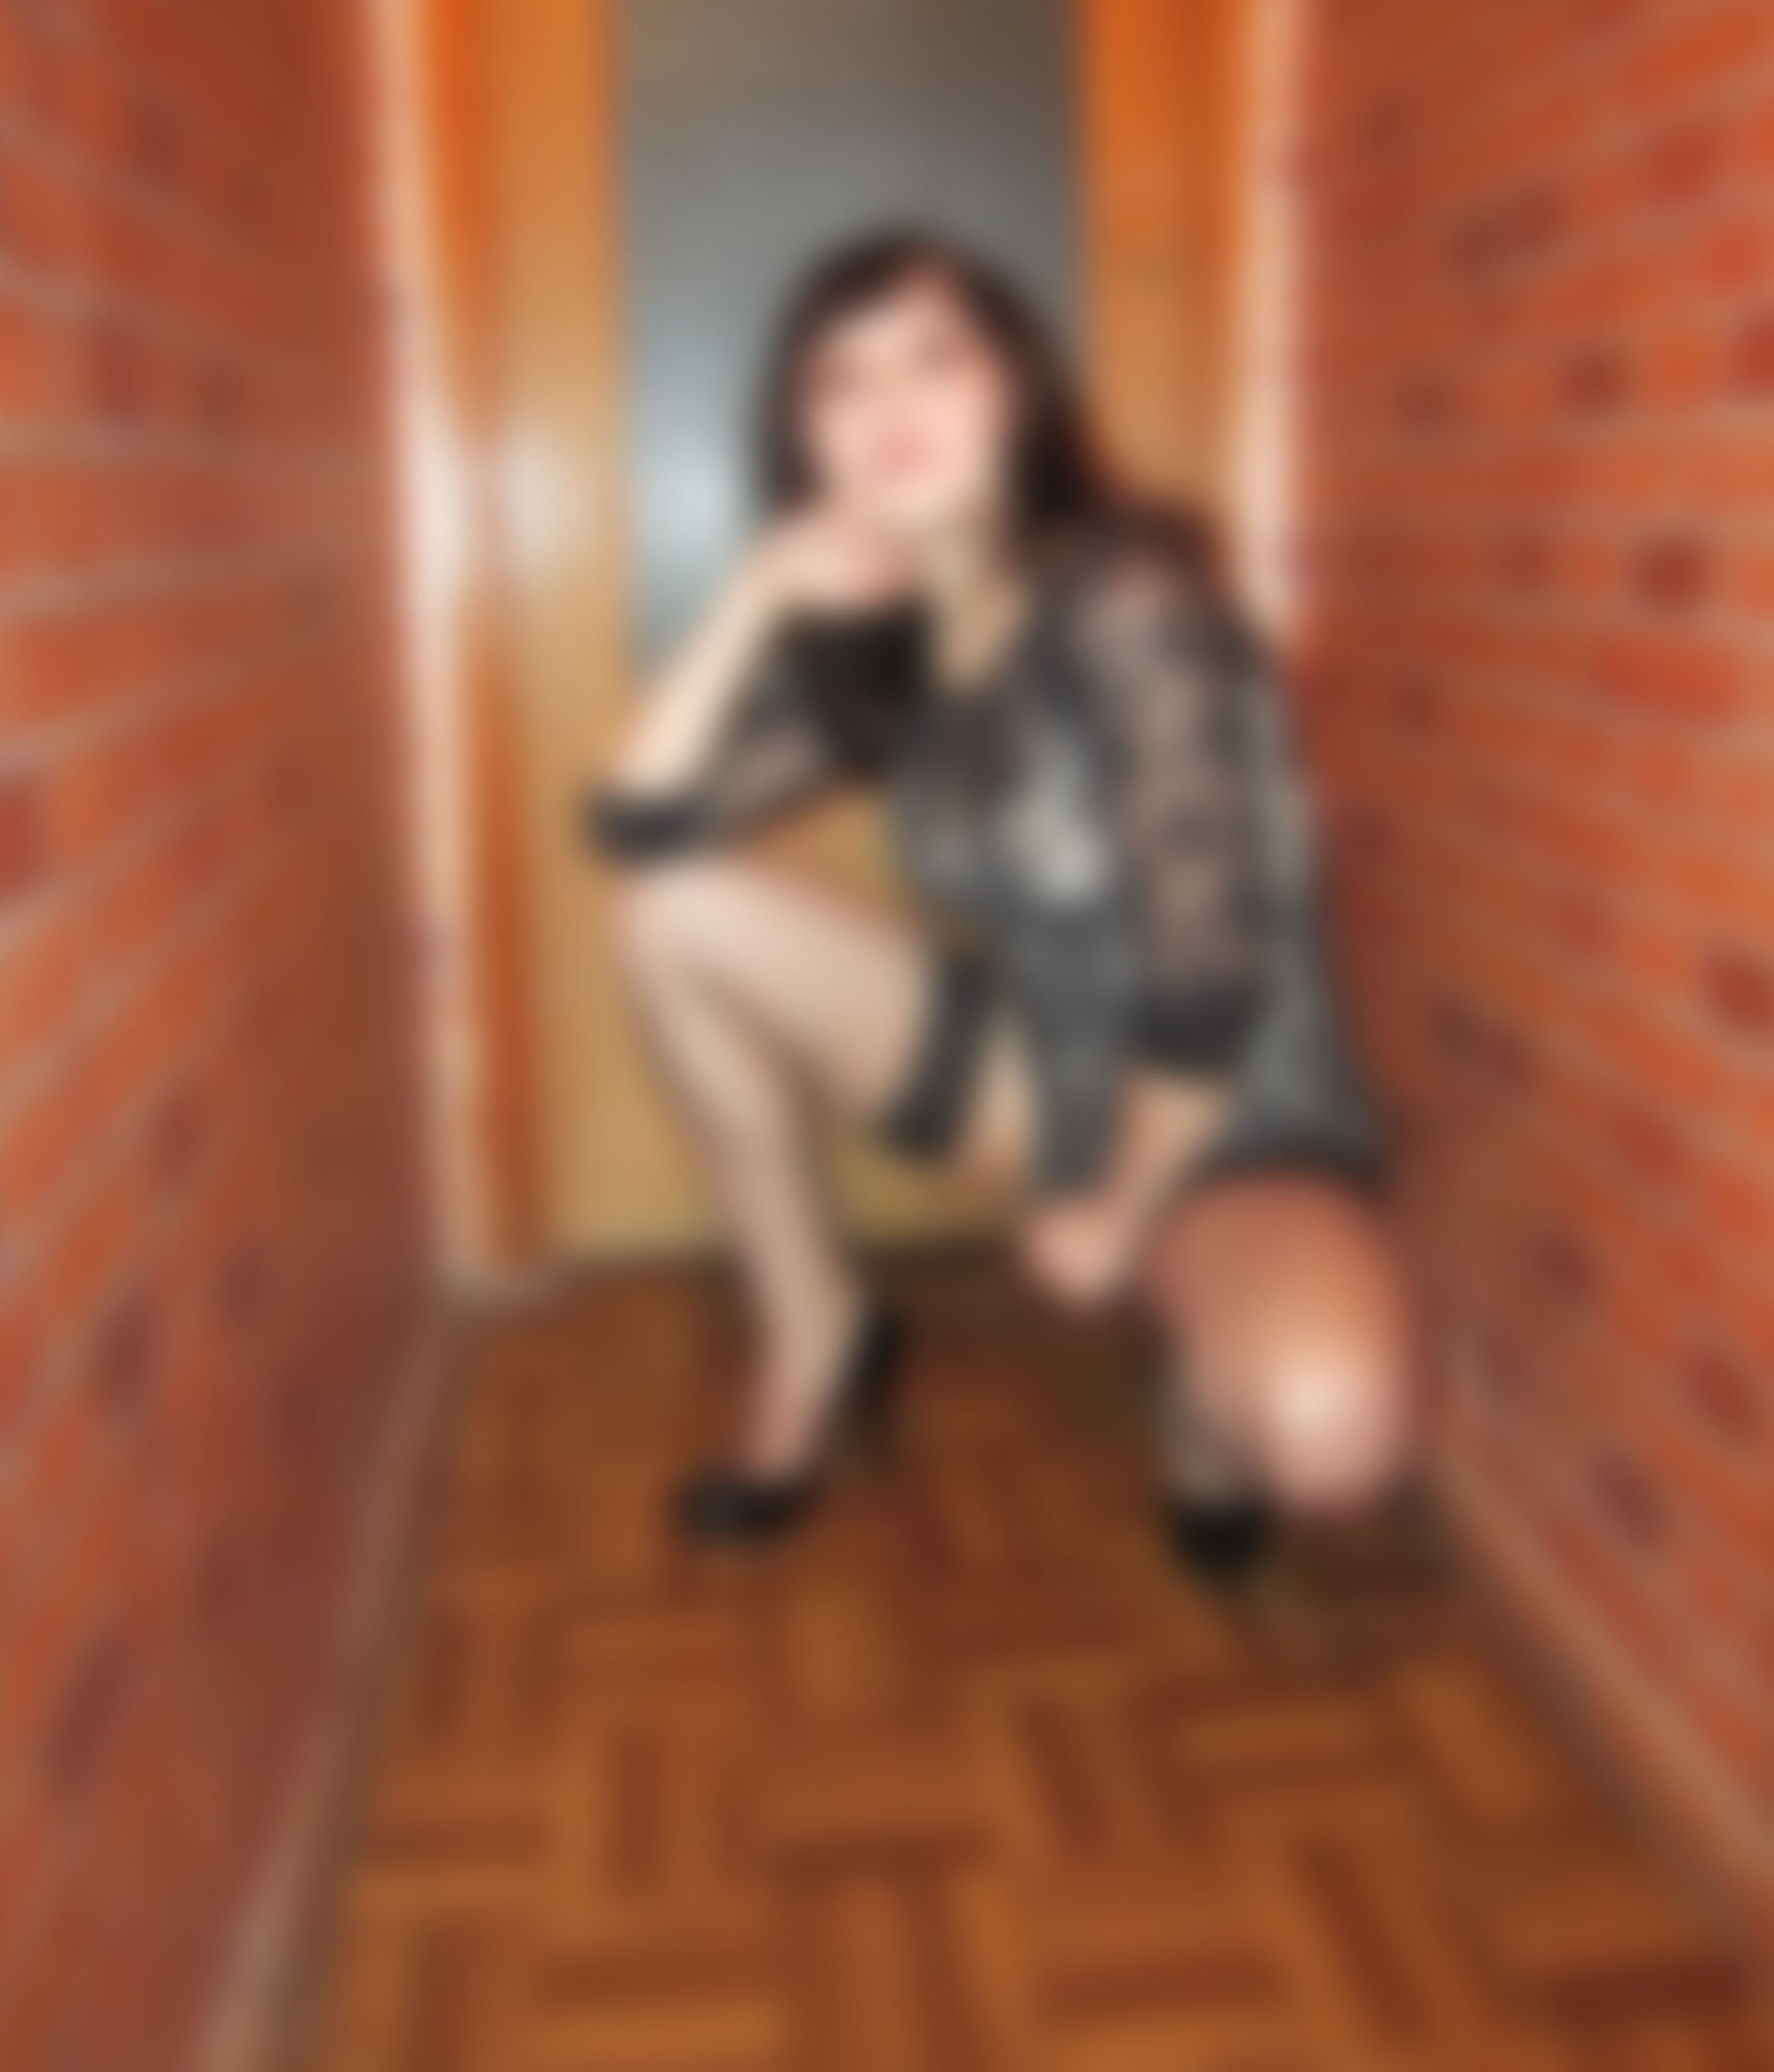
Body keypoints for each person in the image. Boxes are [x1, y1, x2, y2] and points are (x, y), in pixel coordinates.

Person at [587, 230, 1420, 1576]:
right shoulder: (903, 646)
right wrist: (758, 590)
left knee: (1329, 1432)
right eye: (842, 381)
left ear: (1014, 391)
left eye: (934, 360)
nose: (891, 406)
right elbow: (638, 825)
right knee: (666, 916)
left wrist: (1123, 1213)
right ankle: (815, 1334)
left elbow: (1209, 977)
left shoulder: (1128, 597)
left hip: (1233, 1111)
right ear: (808, 438)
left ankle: (1203, 1388)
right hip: (1045, 1074)